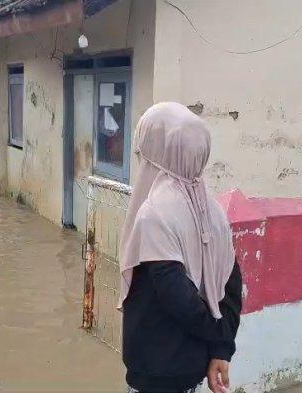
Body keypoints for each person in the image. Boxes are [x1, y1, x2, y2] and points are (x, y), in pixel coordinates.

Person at [120, 102, 243, 393]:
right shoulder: (212, 210)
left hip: (156, 370)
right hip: (195, 365)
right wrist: (220, 347)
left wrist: (218, 337)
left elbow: (179, 299)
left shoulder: (155, 213)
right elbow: (231, 283)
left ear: (155, 151)